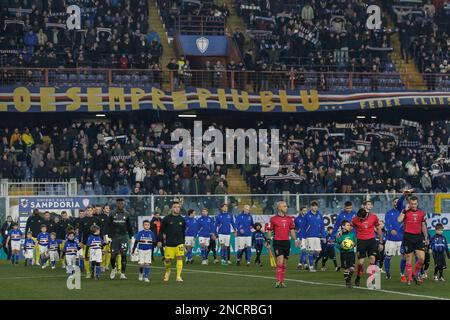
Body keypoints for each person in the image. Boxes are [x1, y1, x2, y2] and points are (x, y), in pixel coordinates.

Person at [398, 196, 428, 285]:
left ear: (417, 203)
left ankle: (414, 273)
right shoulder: (405, 211)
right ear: (409, 204)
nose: (414, 206)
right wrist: (404, 210)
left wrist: (426, 236)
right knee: (408, 259)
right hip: (408, 237)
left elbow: (423, 225)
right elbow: (399, 220)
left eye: (415, 204)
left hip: (418, 237)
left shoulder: (421, 213)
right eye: (412, 204)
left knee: (422, 259)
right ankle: (410, 278)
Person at [267, 201, 298, 288]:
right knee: (279, 261)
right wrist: (268, 240)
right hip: (277, 242)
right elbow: (269, 230)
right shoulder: (273, 219)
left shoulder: (289, 219)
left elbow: (292, 230)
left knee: (284, 263)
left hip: (286, 242)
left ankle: (281, 281)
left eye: (286, 206)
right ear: (279, 208)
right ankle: (279, 281)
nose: (286, 208)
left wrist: (295, 239)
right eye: (284, 206)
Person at [352, 203, 383, 287]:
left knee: (373, 259)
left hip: (371, 241)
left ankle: (371, 280)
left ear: (366, 215)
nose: (360, 220)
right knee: (360, 263)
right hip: (361, 241)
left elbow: (378, 228)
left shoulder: (373, 217)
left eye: (362, 218)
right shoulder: (355, 219)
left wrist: (381, 242)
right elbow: (350, 228)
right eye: (359, 218)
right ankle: (358, 277)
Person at [159, 202, 186, 282]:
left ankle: (178, 276)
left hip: (179, 242)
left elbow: (183, 232)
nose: (177, 208)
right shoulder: (166, 219)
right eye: (175, 207)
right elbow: (161, 231)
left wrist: (183, 243)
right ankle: (168, 271)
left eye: (178, 207)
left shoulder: (182, 219)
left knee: (180, 257)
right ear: (172, 209)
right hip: (169, 243)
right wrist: (160, 240)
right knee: (167, 260)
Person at [109, 198, 134, 280]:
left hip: (123, 237)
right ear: (116, 204)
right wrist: (106, 235)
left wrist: (131, 236)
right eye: (119, 203)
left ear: (123, 204)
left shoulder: (127, 214)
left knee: (123, 254)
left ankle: (123, 273)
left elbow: (129, 226)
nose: (120, 205)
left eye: (121, 203)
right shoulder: (112, 213)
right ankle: (113, 269)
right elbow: (108, 225)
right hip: (114, 237)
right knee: (113, 256)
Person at [384, 195, 407, 280]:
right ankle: (387, 273)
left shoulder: (404, 212)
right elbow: (387, 223)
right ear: (393, 203)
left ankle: (402, 273)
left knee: (404, 257)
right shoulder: (389, 213)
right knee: (388, 257)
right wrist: (390, 230)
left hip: (401, 239)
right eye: (395, 202)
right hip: (391, 239)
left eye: (398, 202)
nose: (396, 203)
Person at [301, 201, 325, 272]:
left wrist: (323, 236)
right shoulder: (307, 215)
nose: (315, 207)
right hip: (309, 236)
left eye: (316, 206)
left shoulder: (319, 215)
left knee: (318, 252)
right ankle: (311, 266)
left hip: (317, 236)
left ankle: (311, 260)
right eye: (313, 206)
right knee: (311, 251)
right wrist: (303, 237)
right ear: (311, 207)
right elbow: (303, 226)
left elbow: (322, 227)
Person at [332, 201, 356, 270]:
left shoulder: (355, 214)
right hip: (344, 235)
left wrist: (357, 235)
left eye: (350, 208)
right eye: (347, 208)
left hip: (352, 235)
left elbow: (357, 225)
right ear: (344, 207)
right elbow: (336, 225)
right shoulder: (341, 215)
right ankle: (344, 264)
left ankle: (351, 265)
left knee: (352, 251)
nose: (349, 209)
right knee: (344, 249)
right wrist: (333, 235)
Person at [336, 220, 357, 288]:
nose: (349, 226)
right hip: (344, 253)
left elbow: (355, 242)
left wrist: (353, 244)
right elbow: (337, 244)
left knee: (352, 269)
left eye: (349, 225)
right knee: (346, 269)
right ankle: (347, 282)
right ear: (343, 226)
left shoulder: (352, 234)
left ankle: (349, 279)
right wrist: (341, 246)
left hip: (351, 253)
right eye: (347, 225)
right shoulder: (339, 234)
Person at [80, 206, 100, 277]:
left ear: (92, 211)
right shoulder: (82, 220)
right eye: (88, 210)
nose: (89, 212)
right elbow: (80, 231)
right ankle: (88, 272)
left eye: (90, 210)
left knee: (95, 259)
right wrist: (80, 241)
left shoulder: (96, 219)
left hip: (95, 243)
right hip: (86, 242)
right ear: (86, 211)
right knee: (86, 257)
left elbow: (99, 231)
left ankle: (93, 272)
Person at [98, 204, 111, 272]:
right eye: (106, 208)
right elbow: (100, 227)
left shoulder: (111, 216)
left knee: (109, 251)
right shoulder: (100, 217)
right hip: (103, 236)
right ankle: (102, 265)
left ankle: (107, 265)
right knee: (103, 251)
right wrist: (103, 236)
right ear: (103, 209)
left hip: (110, 236)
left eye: (108, 208)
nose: (108, 209)